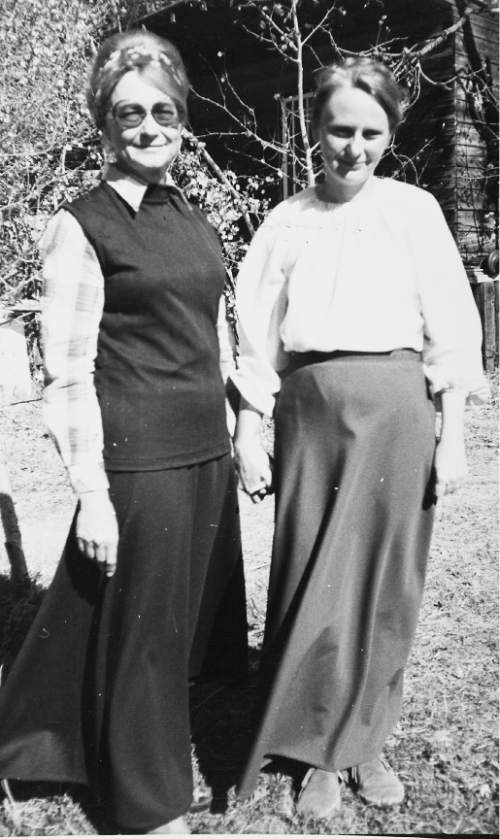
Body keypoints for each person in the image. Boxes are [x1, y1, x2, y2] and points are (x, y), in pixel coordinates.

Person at [0, 30, 247, 834]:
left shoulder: (188, 213)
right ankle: (148, 808)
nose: (148, 126)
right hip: (138, 459)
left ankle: (40, 738)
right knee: (142, 639)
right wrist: (92, 495)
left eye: (163, 111)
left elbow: (217, 335)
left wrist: (248, 424)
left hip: (205, 449)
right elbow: (66, 371)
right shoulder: (83, 225)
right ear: (104, 123)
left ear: (183, 118)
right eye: (129, 113)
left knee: (163, 628)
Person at [232, 57, 488, 817]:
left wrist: (455, 436)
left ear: (390, 135)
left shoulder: (414, 212)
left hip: (397, 414)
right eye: (340, 129)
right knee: (315, 576)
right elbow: (257, 334)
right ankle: (315, 748)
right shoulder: (287, 222)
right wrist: (250, 425)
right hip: (311, 417)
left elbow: (451, 326)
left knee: (383, 582)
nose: (354, 146)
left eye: (371, 132)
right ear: (316, 129)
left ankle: (364, 740)